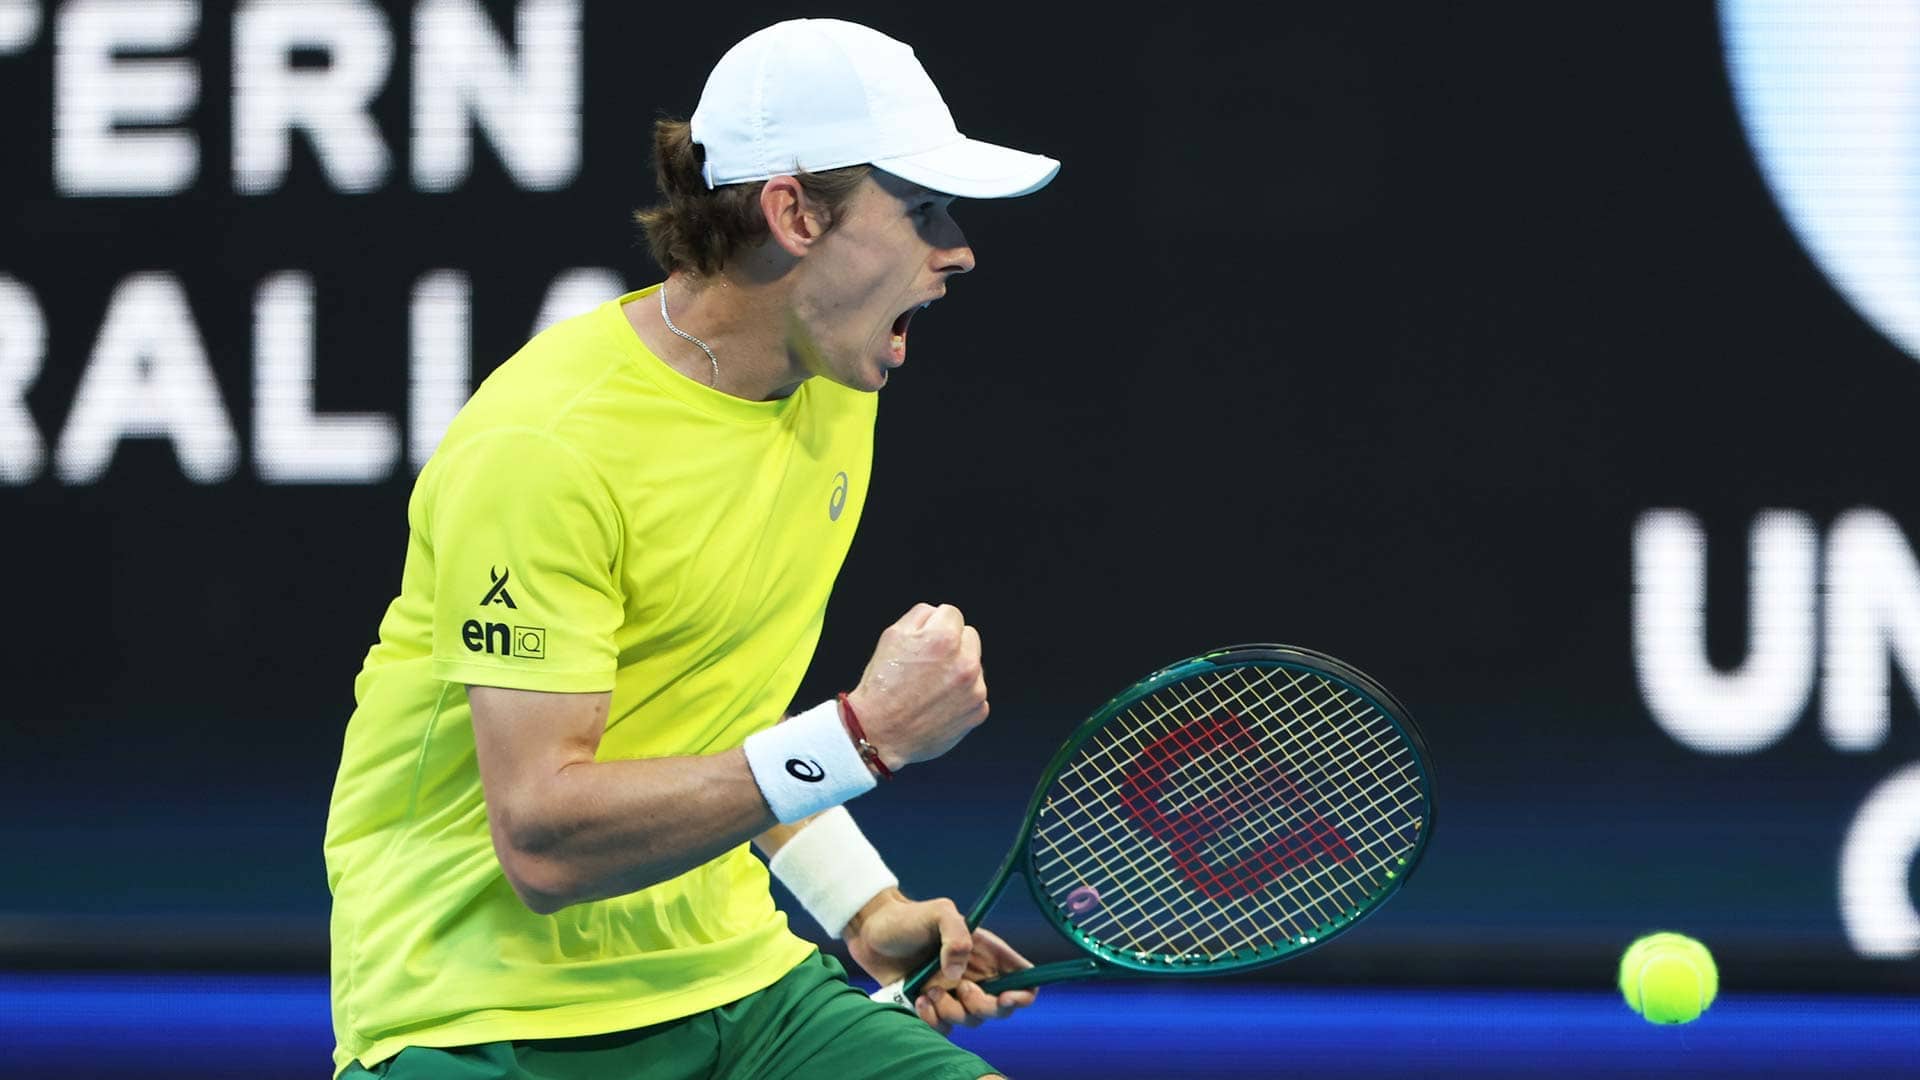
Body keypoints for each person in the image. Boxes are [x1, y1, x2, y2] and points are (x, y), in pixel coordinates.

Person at [323, 16, 1059, 1080]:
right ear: (794, 212)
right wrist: (858, 740)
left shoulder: (833, 386)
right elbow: (541, 840)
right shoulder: (549, 448)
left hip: (744, 989)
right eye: (922, 209)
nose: (958, 250)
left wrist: (863, 905)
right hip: (481, 1014)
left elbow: (715, 722)